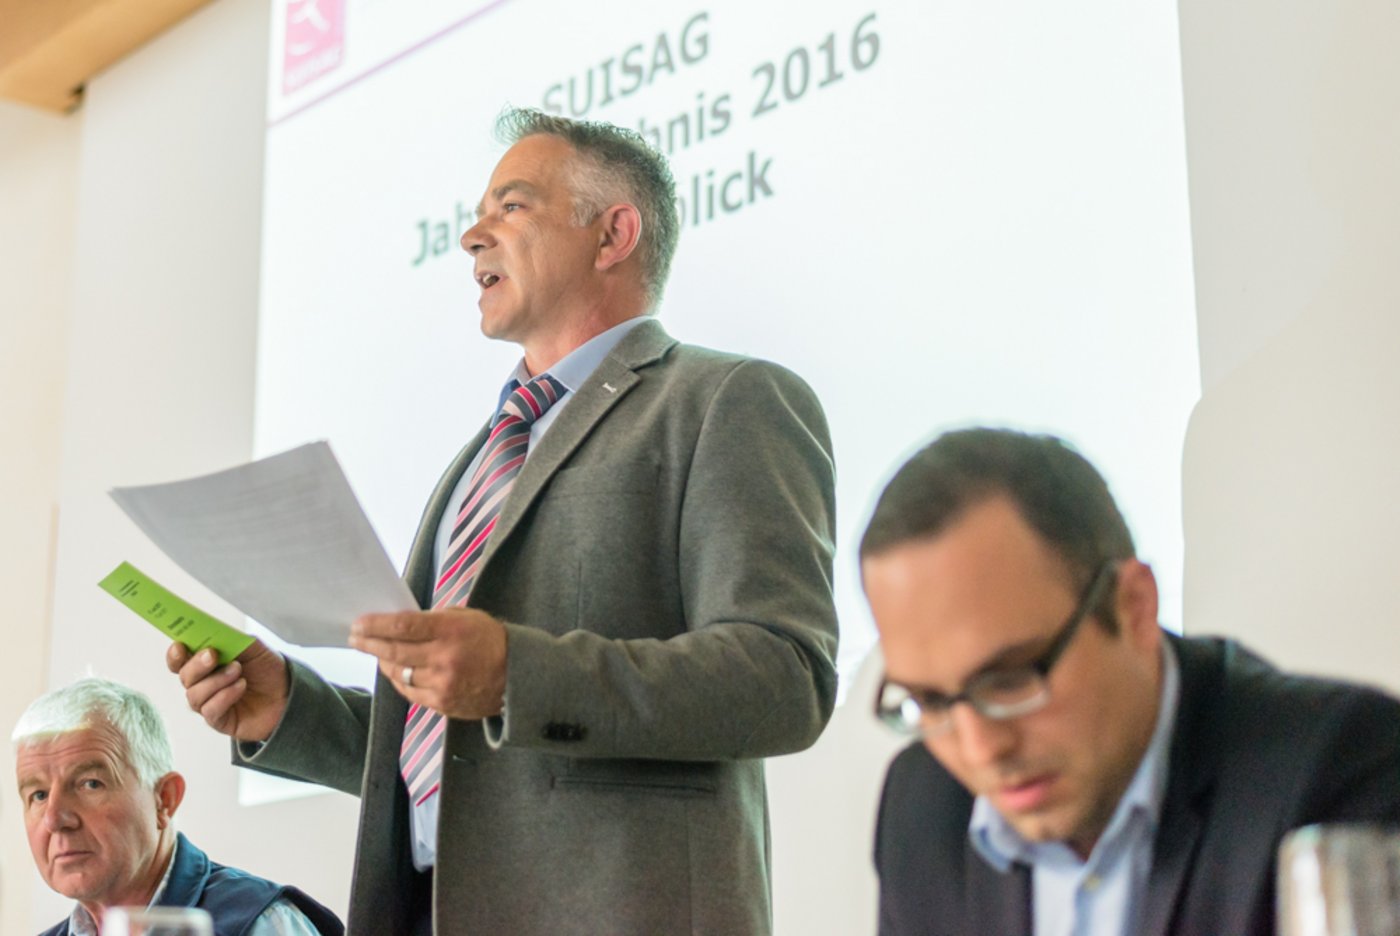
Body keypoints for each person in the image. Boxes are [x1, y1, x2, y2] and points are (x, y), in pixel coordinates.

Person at [168, 108, 838, 935]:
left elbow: (785, 677)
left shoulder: (724, 401)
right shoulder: (478, 458)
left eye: (511, 206)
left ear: (613, 233)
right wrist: (288, 710)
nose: (471, 237)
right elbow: (446, 749)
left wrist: (518, 674)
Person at [859, 427, 1400, 936]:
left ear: (1134, 606)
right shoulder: (924, 806)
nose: (982, 749)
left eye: (1009, 680)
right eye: (932, 701)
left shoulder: (1341, 762)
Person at [13, 677, 343, 936]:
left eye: (90, 784)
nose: (54, 819)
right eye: (38, 795)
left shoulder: (261, 923)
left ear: (164, 799)